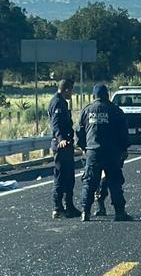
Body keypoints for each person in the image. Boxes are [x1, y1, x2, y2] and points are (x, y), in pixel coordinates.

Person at [77, 83, 132, 222]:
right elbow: (123, 133)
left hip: (93, 152)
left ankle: (85, 211)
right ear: (107, 95)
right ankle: (120, 212)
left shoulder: (86, 110)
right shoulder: (115, 110)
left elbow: (79, 132)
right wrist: (124, 148)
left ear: (94, 96)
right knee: (114, 182)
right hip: (112, 153)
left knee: (89, 183)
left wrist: (83, 147)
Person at [48, 79, 81, 219]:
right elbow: (55, 124)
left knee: (69, 178)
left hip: (66, 145)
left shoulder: (62, 102)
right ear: (66, 89)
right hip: (61, 146)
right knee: (61, 177)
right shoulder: (57, 102)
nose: (72, 93)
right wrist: (60, 139)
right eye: (71, 90)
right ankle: (57, 207)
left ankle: (69, 206)